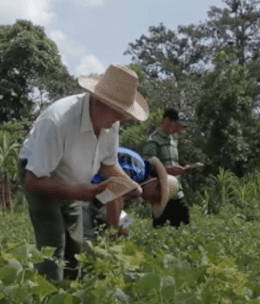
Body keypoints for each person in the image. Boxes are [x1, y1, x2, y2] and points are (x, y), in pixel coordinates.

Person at [18, 64, 149, 281]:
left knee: (76, 245)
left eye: (123, 115)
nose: (118, 120)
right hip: (41, 175)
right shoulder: (59, 121)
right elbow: (34, 182)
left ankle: (69, 299)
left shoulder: (110, 122)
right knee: (54, 245)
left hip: (74, 183)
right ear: (98, 102)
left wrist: (129, 185)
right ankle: (46, 303)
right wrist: (75, 192)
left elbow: (109, 166)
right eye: (116, 113)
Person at [82, 147, 179, 241]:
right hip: (80, 180)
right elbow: (114, 196)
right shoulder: (138, 168)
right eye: (155, 198)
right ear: (156, 182)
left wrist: (119, 225)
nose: (149, 200)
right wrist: (114, 231)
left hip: (88, 186)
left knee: (125, 222)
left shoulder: (137, 178)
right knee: (87, 238)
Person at [143, 108, 192, 228]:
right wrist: (171, 171)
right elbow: (147, 168)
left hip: (177, 192)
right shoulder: (153, 141)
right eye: (178, 125)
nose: (179, 129)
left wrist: (181, 169)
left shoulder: (173, 141)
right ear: (166, 120)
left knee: (185, 227)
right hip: (162, 193)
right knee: (160, 229)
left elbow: (170, 163)